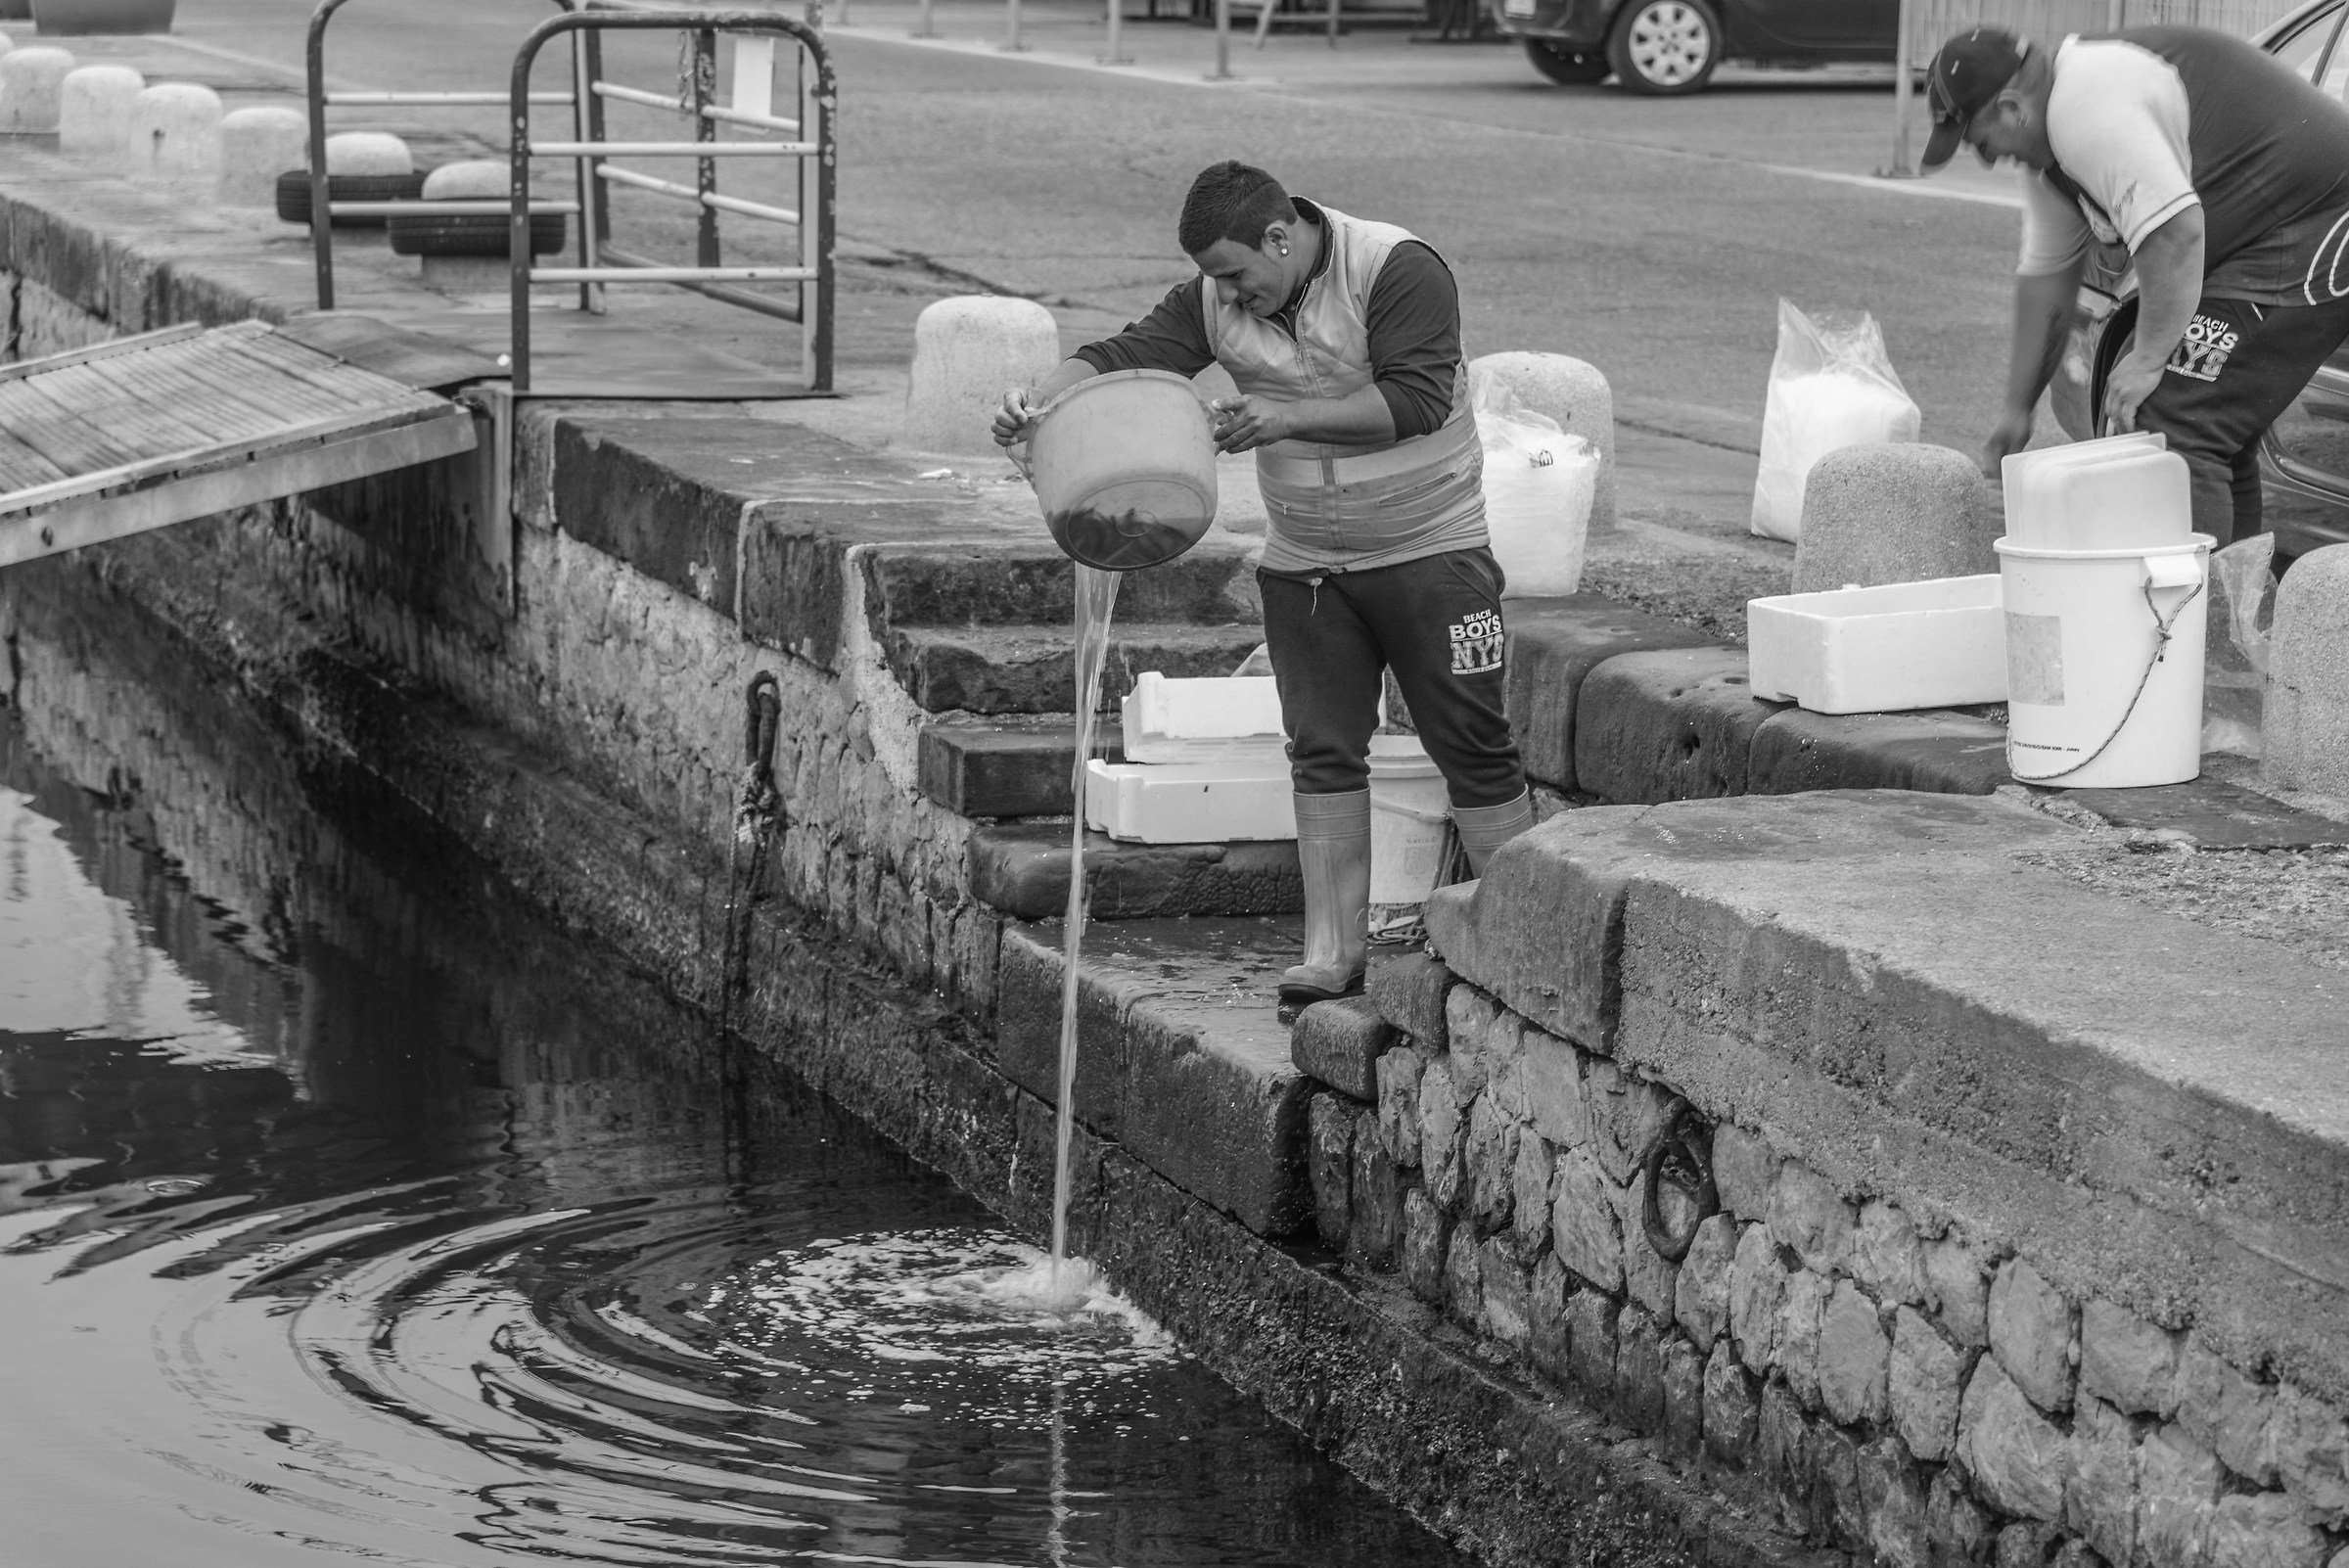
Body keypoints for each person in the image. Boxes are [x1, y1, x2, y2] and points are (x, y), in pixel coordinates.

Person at [991, 161, 1534, 1007]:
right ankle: (1332, 952)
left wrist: (1281, 418)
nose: (1227, 296)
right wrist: (1041, 400)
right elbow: (1125, 354)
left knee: (1471, 741)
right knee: (1320, 749)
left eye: (1236, 275)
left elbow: (1417, 400)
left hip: (1431, 549)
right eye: (1214, 281)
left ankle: (1519, 941)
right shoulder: (1215, 299)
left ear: (1280, 237)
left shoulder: (1395, 268)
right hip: (1306, 561)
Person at [1922, 23, 2349, 545]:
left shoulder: (2086, 107)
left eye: (1979, 141)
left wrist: (2148, 361)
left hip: (2319, 221)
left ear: (2011, 109)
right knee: (2193, 419)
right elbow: (2048, 282)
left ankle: (2186, 597)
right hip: (2261, 241)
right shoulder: (2051, 149)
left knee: (2175, 417)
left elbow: (2175, 235)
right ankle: (2225, 591)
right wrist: (2017, 408)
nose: (1987, 160)